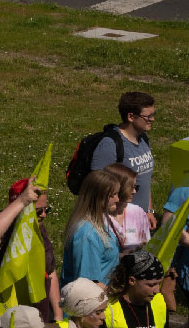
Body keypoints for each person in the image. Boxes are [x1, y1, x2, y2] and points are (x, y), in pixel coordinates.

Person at [0, 177, 60, 328]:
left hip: (34, 322)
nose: (44, 215)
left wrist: (57, 315)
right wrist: (22, 201)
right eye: (38, 211)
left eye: (46, 210)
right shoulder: (3, 226)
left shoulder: (38, 229)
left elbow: (50, 271)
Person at [90, 91, 156, 229]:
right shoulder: (110, 144)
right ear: (131, 116)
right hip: (118, 222)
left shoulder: (143, 139)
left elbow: (144, 180)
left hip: (139, 218)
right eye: (148, 116)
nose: (152, 119)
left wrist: (149, 210)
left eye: (153, 115)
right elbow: (97, 187)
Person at [61, 168, 120, 286]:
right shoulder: (88, 234)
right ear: (98, 197)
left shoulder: (98, 223)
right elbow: (88, 284)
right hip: (94, 300)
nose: (117, 199)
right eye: (112, 195)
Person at [104, 162, 149, 253]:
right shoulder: (98, 218)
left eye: (135, 187)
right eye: (131, 187)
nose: (134, 191)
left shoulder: (137, 212)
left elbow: (146, 242)